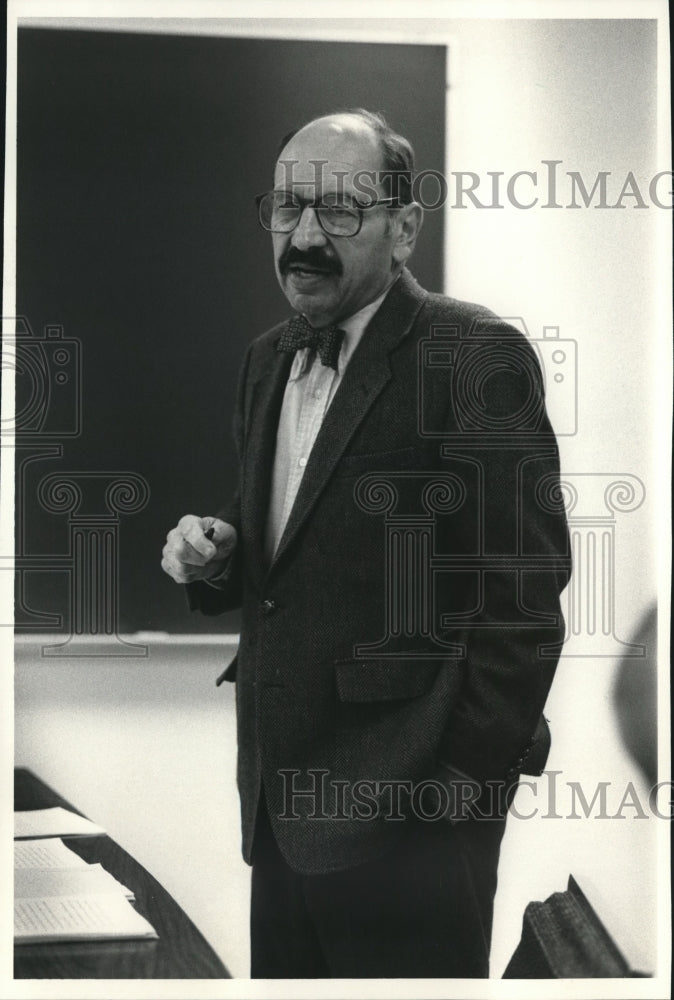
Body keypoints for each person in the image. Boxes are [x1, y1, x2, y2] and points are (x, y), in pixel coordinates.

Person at [161, 108, 571, 978]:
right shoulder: (266, 357)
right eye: (287, 208)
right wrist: (218, 550)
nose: (304, 235)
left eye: (339, 211)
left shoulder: (473, 354)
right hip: (278, 803)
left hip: (414, 824)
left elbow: (526, 598)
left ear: (405, 226)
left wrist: (457, 792)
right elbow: (291, 534)